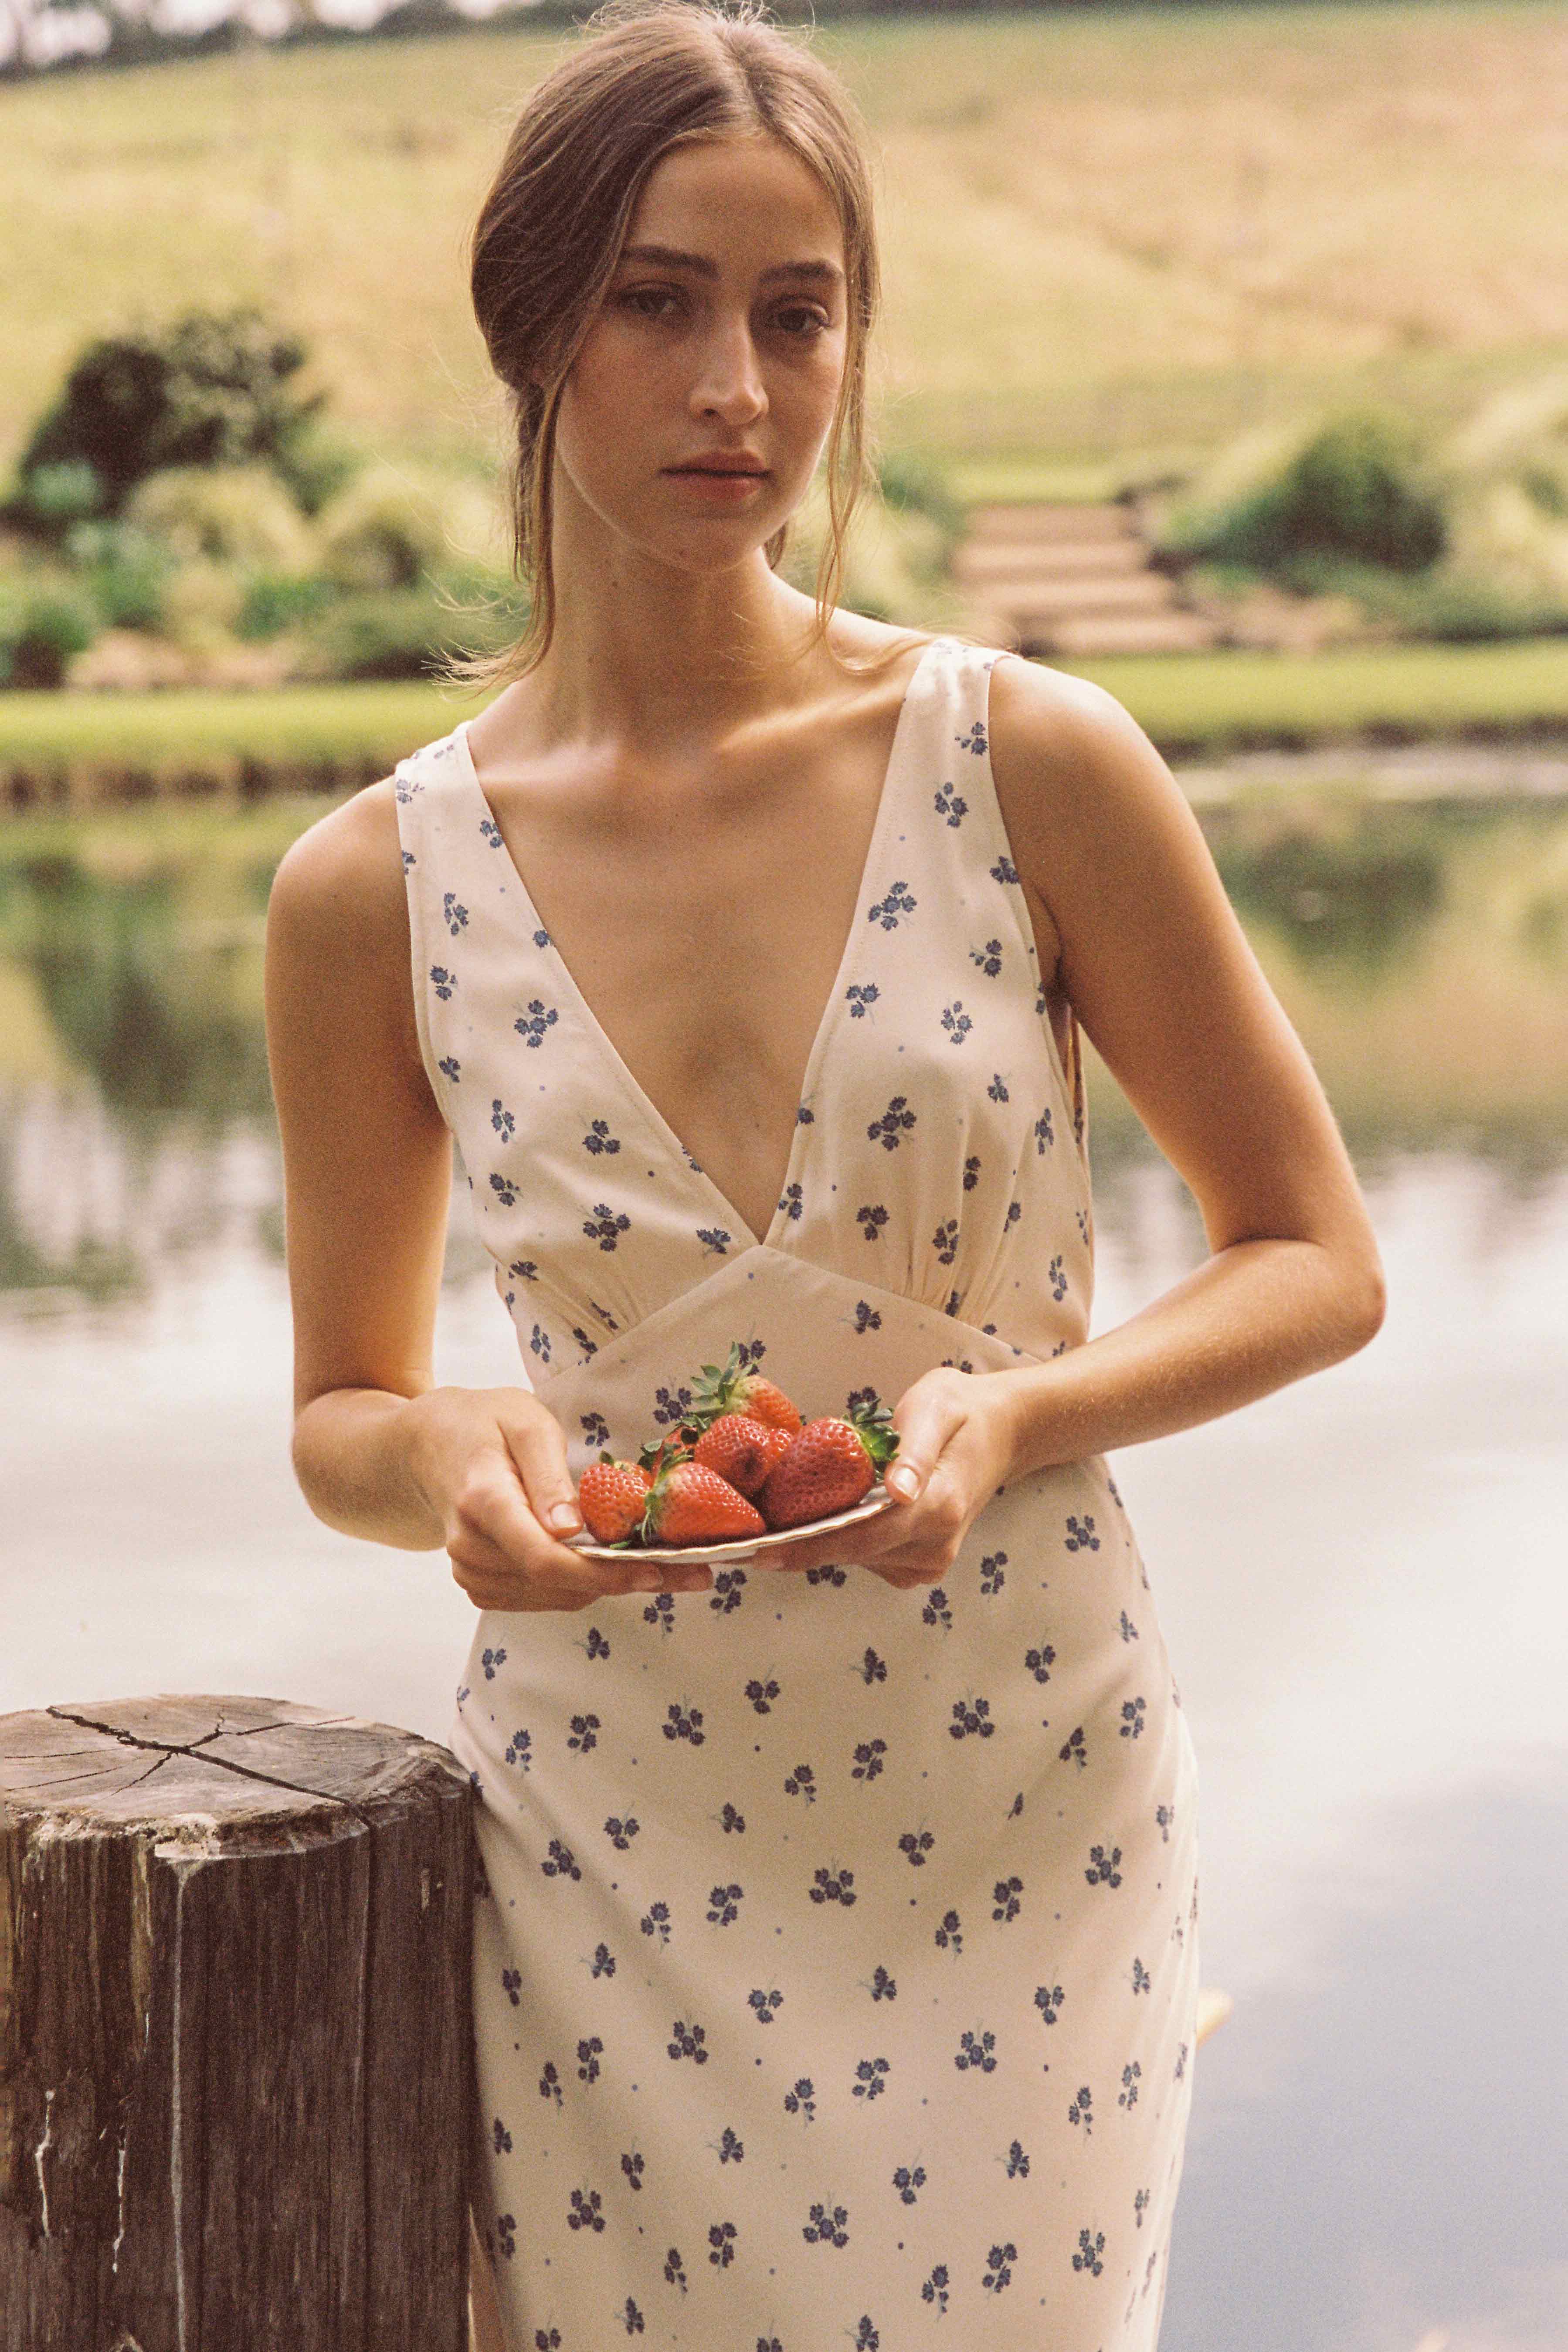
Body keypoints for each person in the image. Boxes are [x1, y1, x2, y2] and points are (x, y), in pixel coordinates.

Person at [264, 3, 1385, 2345]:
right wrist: (457, 1446)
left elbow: (1317, 1256)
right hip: (617, 1869)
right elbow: (344, 1419)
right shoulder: (374, 890)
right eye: (660, 303)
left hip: (1026, 1818)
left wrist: (1019, 1412)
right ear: (531, 323)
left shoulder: (1031, 760)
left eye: (798, 315)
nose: (737, 391)